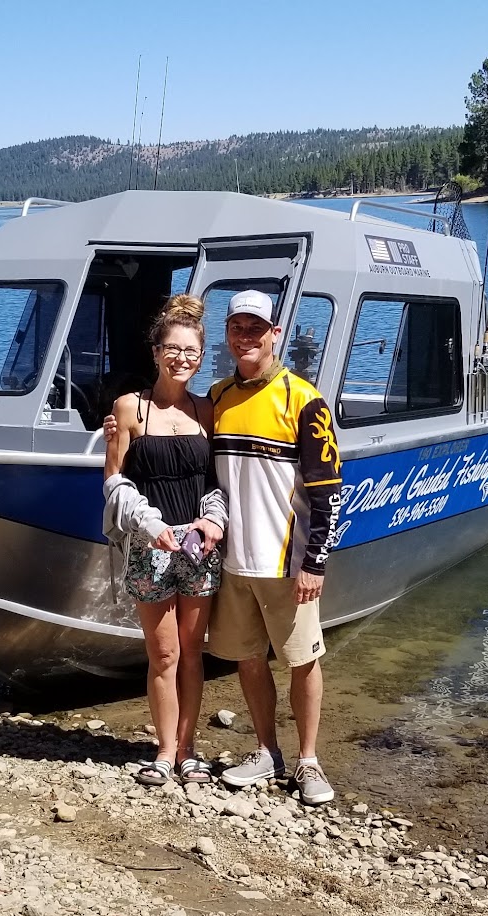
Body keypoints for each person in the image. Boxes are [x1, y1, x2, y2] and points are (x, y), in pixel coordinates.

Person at [205, 289, 342, 806]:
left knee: (303, 661)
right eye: (237, 327)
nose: (246, 337)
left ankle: (308, 761)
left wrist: (315, 563)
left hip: (287, 564)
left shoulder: (304, 400)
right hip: (234, 563)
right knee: (248, 659)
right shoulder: (217, 398)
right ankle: (267, 752)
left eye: (256, 328)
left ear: (275, 334)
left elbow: (327, 488)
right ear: (229, 334)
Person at [102, 294, 228, 787]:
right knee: (165, 655)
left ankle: (190, 749)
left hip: (199, 548)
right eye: (172, 349)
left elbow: (216, 479)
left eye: (191, 351)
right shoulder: (129, 408)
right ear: (155, 352)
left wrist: (212, 522)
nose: (181, 358)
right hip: (149, 549)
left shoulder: (208, 409)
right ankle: (164, 750)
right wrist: (151, 527)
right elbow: (114, 480)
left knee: (194, 654)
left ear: (201, 356)